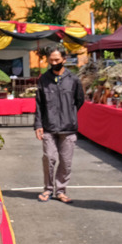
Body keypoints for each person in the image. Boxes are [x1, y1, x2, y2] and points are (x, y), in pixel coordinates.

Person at [34, 45, 85, 204]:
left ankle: (61, 190)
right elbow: (39, 104)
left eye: (57, 60)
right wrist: (38, 125)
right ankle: (48, 189)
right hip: (49, 126)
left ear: (64, 59)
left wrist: (69, 115)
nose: (54, 62)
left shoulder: (73, 79)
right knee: (49, 158)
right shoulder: (44, 79)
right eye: (51, 60)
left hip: (68, 128)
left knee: (66, 161)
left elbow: (79, 100)